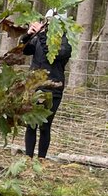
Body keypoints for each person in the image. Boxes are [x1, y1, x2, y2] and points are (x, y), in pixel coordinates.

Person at [21, 9, 72, 159]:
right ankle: (28, 159)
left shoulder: (65, 42)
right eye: (47, 21)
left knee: (45, 126)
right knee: (30, 125)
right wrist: (28, 35)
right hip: (34, 86)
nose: (49, 24)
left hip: (52, 89)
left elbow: (52, 55)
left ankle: (41, 160)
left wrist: (42, 34)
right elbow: (25, 50)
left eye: (52, 21)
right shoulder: (39, 38)